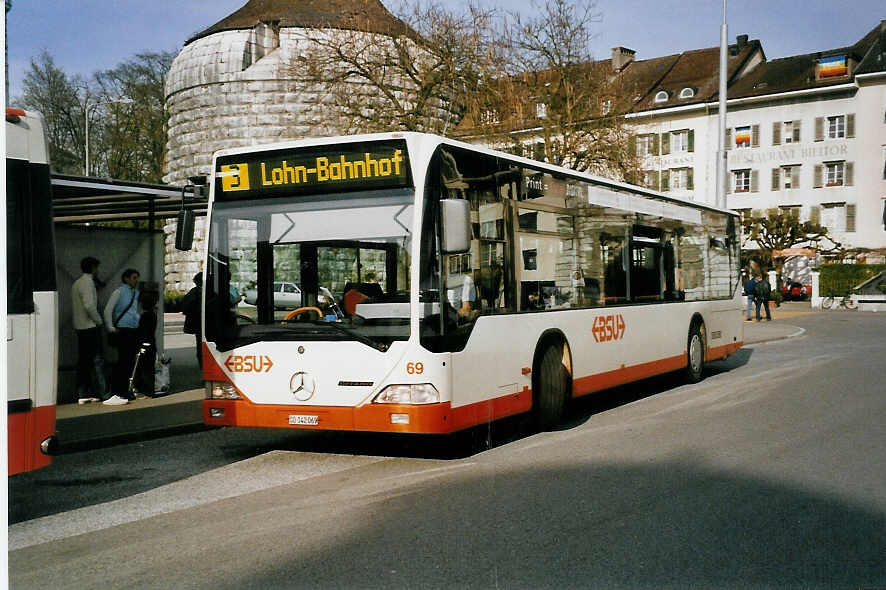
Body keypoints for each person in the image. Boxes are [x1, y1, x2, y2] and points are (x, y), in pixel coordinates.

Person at [71, 256, 107, 404]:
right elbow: (89, 306)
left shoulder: (77, 283)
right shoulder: (88, 283)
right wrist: (99, 321)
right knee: (98, 361)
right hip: (90, 327)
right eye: (97, 268)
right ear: (93, 268)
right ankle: (104, 392)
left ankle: (83, 393)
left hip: (80, 327)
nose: (98, 271)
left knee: (84, 362)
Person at [103, 268, 141, 405]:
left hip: (132, 329)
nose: (136, 280)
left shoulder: (136, 293)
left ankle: (125, 389)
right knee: (123, 361)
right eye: (134, 277)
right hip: (123, 330)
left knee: (130, 361)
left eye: (137, 278)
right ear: (126, 278)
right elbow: (108, 310)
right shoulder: (118, 292)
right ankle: (118, 389)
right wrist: (111, 327)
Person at [134, 289, 159, 397]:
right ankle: (149, 390)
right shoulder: (152, 315)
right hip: (151, 344)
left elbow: (143, 332)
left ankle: (147, 391)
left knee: (144, 368)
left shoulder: (145, 317)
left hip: (145, 345)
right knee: (149, 368)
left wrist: (141, 346)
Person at [181, 272, 203, 369]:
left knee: (200, 345)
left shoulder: (192, 292)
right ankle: (204, 365)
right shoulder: (203, 293)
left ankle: (202, 365)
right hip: (202, 323)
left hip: (197, 324)